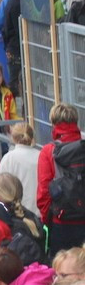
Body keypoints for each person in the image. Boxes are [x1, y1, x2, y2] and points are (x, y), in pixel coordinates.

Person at [36, 103, 85, 253]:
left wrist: (48, 220)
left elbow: (44, 192)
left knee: (62, 270)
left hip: (61, 222)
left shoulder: (48, 151)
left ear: (53, 124)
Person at [0, 123, 41, 216]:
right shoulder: (41, 155)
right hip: (41, 211)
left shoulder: (9, 158)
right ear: (32, 137)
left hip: (18, 212)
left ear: (13, 138)